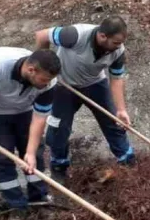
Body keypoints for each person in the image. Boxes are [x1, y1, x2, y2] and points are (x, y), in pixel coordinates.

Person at [0, 47, 61, 220]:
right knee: (1, 159)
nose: (46, 84)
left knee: (35, 158)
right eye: (43, 80)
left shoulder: (49, 83)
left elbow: (40, 117)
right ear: (31, 70)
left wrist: (31, 152)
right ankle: (16, 206)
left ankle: (39, 199)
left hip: (25, 112)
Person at [34, 15, 134, 183]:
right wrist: (44, 69)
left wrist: (121, 110)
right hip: (64, 85)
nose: (119, 46)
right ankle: (59, 166)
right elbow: (41, 35)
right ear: (102, 36)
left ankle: (127, 160)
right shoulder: (74, 35)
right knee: (58, 128)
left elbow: (116, 79)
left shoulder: (118, 51)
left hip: (95, 84)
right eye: (116, 42)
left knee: (113, 121)